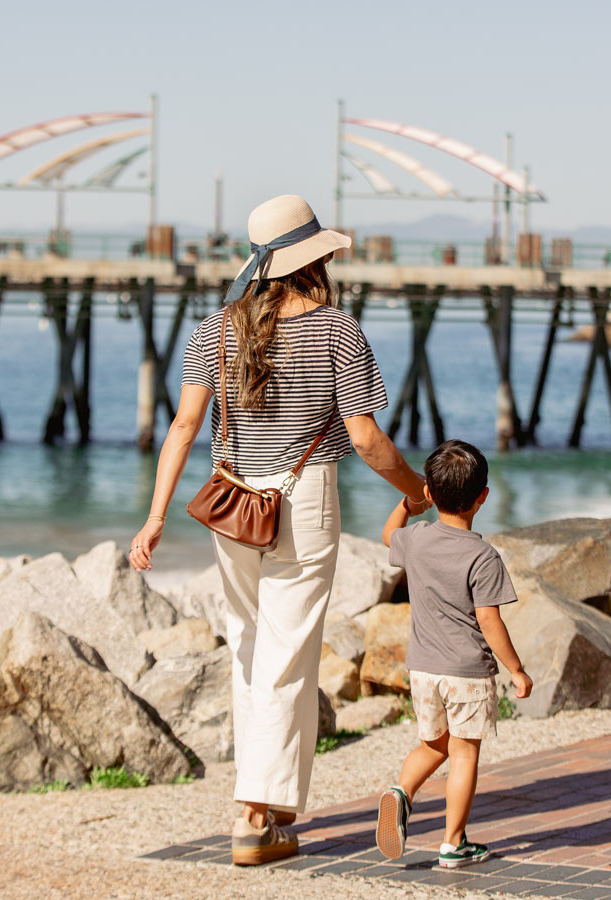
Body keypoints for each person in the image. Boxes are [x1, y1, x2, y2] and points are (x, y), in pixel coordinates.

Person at [127, 194, 430, 866]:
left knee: (250, 650)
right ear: (314, 259)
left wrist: (152, 519)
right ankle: (252, 815)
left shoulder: (213, 330)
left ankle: (270, 802)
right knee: (287, 657)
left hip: (230, 505)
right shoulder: (337, 330)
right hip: (304, 501)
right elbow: (367, 439)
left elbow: (181, 428)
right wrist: (417, 490)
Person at [376, 439, 533, 869]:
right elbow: (489, 621)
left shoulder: (418, 540)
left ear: (429, 491)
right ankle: (453, 842)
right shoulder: (483, 556)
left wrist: (407, 506)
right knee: (464, 753)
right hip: (467, 672)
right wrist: (516, 669)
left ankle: (401, 793)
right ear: (482, 497)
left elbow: (388, 535)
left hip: (423, 669)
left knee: (433, 744)